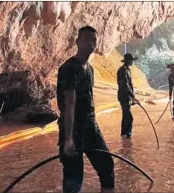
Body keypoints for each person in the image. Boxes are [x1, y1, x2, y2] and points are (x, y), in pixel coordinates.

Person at [56, 26, 114, 193]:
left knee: (106, 166)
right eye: (87, 40)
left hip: (91, 126)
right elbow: (69, 105)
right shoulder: (68, 68)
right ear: (77, 42)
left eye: (94, 40)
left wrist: (93, 126)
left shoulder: (90, 69)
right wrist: (68, 139)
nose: (91, 44)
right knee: (74, 179)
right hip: (73, 129)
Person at [117, 53, 140, 138]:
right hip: (124, 96)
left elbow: (129, 84)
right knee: (129, 117)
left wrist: (132, 96)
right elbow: (124, 85)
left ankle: (124, 134)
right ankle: (127, 135)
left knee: (126, 115)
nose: (132, 62)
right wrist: (132, 96)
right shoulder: (122, 70)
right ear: (128, 61)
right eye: (131, 60)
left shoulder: (128, 70)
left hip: (127, 96)